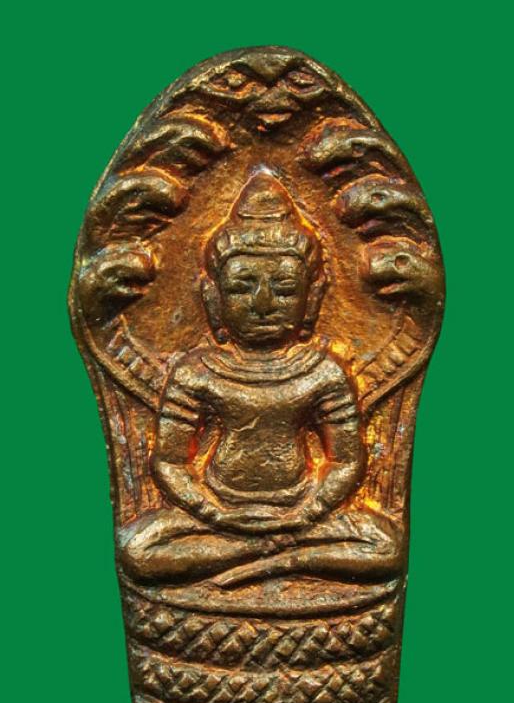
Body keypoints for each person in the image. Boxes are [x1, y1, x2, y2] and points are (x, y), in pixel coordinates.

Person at [119, 169, 402, 587]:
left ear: (313, 298)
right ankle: (270, 555)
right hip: (218, 513)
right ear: (213, 298)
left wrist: (307, 511)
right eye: (242, 287)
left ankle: (276, 561)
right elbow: (170, 461)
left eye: (285, 289)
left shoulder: (323, 372)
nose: (264, 303)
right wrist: (214, 512)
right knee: (138, 549)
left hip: (303, 511)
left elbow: (345, 460)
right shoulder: (197, 372)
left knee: (386, 545)